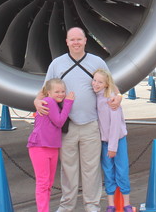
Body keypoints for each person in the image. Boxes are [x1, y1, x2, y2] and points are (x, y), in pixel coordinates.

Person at [34, 27, 122, 212]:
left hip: (91, 124)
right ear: (66, 42)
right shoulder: (56, 64)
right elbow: (45, 90)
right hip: (66, 127)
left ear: (85, 41)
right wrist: (36, 100)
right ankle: (67, 205)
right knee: (68, 169)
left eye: (79, 39)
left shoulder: (97, 62)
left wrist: (119, 96)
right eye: (72, 39)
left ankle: (92, 205)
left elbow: (110, 85)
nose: (76, 43)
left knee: (91, 169)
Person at [28, 78, 75, 212]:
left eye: (63, 91)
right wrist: (68, 103)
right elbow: (59, 121)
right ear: (48, 92)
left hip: (52, 146)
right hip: (40, 146)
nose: (61, 94)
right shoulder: (48, 102)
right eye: (57, 91)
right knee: (43, 183)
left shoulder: (52, 102)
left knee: (48, 183)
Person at [91, 69, 133, 212]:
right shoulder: (96, 97)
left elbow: (115, 126)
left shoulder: (111, 99)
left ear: (106, 84)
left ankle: (126, 203)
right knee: (108, 172)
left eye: (100, 82)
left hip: (117, 142)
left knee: (121, 170)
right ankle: (111, 204)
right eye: (94, 80)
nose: (95, 84)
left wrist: (113, 147)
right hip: (104, 142)